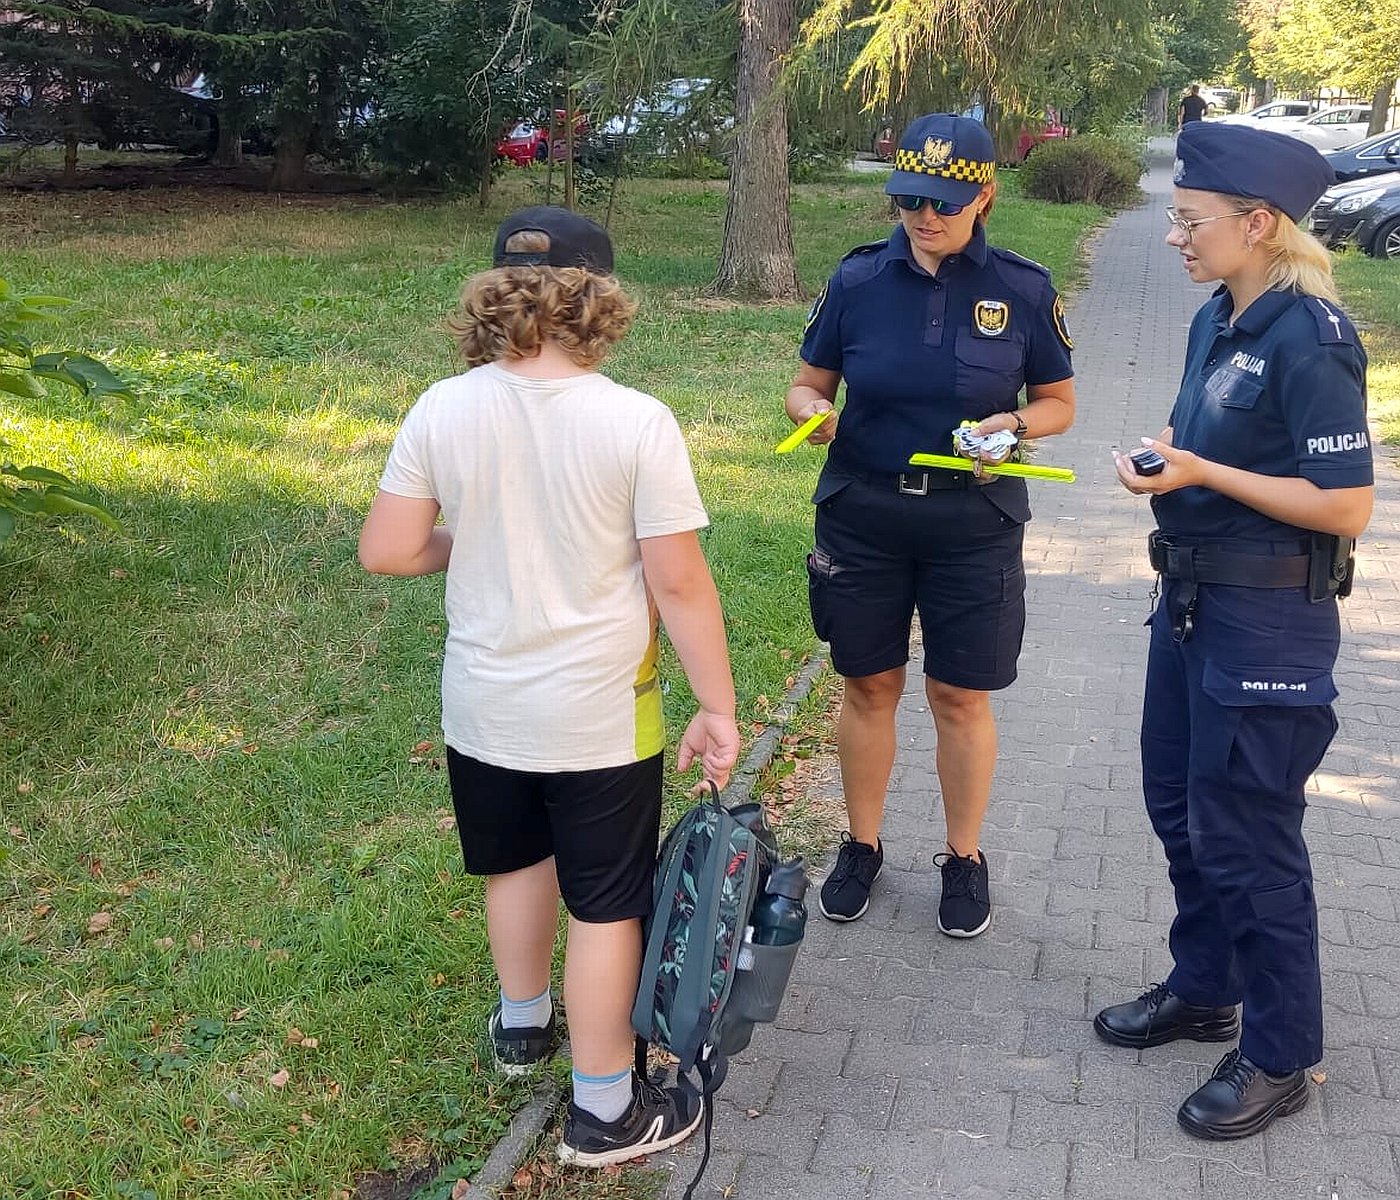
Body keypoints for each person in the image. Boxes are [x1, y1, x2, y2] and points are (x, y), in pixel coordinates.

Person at [358, 206, 741, 1167]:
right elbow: (680, 581)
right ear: (600, 301)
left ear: (493, 296)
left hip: (483, 706)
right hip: (598, 716)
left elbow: (390, 550)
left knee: (514, 863)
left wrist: (472, 537)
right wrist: (718, 705)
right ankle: (606, 1106)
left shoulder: (442, 407)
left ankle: (523, 1025)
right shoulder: (635, 421)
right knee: (606, 902)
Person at [1096, 122, 1374, 1140]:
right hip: (1190, 607)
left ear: (1256, 224)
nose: (1173, 235)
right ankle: (1203, 984)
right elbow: (1195, 432)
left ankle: (1276, 1053)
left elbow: (1343, 505)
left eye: (1188, 220)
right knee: (1176, 804)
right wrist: (1162, 455)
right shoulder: (1220, 315)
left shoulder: (1309, 335)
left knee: (1247, 836)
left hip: (1264, 628)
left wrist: (1203, 474)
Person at [784, 113, 1076, 936]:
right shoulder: (858, 281)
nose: (924, 215)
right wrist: (812, 414)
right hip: (865, 516)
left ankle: (964, 858)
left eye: (944, 201)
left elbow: (1057, 403)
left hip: (972, 522)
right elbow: (807, 386)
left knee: (959, 695)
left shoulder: (1022, 287)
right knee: (869, 683)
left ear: (984, 194)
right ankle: (862, 844)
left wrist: (1012, 429)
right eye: (909, 197)